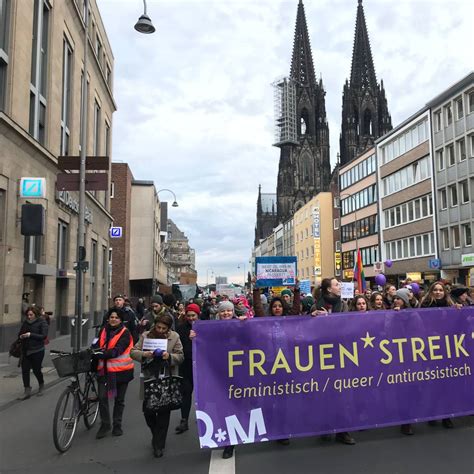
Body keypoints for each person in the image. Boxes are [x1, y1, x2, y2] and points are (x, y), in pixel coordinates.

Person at [131, 313, 184, 458]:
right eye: (158, 327)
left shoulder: (175, 337)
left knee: (163, 411)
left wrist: (170, 356)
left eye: (164, 328)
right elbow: (133, 352)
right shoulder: (146, 335)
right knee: (148, 411)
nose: (160, 330)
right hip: (148, 377)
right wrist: (145, 354)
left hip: (166, 376)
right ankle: (156, 434)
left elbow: (180, 356)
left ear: (168, 328)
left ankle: (159, 444)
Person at [311, 278, 355, 446]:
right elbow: (310, 331)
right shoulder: (316, 306)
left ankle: (343, 431)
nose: (339, 287)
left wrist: (329, 318)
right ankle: (326, 426)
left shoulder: (343, 305)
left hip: (341, 355)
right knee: (326, 393)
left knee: (343, 394)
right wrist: (312, 317)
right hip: (323, 356)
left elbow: (347, 326)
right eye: (337, 285)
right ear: (329, 289)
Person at [94, 308, 134, 439]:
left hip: (121, 373)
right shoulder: (103, 330)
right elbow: (95, 343)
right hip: (105, 372)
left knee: (119, 400)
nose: (114, 319)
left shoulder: (125, 333)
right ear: (108, 318)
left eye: (116, 317)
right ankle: (105, 424)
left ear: (121, 319)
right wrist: (93, 350)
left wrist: (104, 354)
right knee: (102, 398)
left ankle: (117, 425)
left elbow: (118, 350)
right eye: (112, 317)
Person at [175, 303, 200, 434]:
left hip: (202, 365)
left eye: (193, 315)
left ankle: (204, 417)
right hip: (186, 365)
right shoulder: (180, 329)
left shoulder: (204, 327)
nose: (191, 318)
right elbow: (178, 346)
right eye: (189, 315)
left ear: (198, 315)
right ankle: (184, 420)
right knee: (186, 392)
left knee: (203, 394)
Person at [17, 306, 49, 400]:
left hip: (37, 350)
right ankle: (27, 390)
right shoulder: (25, 323)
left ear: (36, 314)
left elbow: (43, 336)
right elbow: (19, 333)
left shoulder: (42, 322)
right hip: (26, 350)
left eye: (31, 315)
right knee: (25, 370)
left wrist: (30, 335)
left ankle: (41, 385)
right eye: (28, 315)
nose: (29, 317)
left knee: (36, 370)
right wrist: (21, 336)